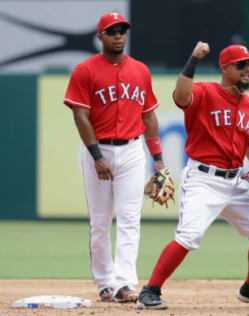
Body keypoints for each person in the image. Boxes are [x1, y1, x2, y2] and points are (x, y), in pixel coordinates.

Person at [136, 42, 249, 310]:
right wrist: (193, 58)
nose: (248, 69)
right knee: (189, 236)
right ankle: (150, 290)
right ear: (225, 67)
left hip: (236, 181)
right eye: (242, 64)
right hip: (203, 179)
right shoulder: (205, 92)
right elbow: (181, 97)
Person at [64, 12, 168, 303]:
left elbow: (148, 115)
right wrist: (96, 156)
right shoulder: (85, 70)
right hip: (99, 149)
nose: (118, 35)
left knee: (130, 219)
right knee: (99, 222)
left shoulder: (140, 70)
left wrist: (157, 157)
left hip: (133, 150)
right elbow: (80, 115)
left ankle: (124, 282)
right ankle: (104, 282)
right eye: (112, 31)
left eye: (122, 30)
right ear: (100, 36)